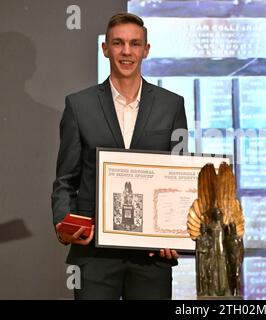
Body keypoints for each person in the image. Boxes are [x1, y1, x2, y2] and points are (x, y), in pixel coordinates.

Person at [51, 13, 188, 299]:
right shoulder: (79, 105)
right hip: (94, 253)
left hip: (152, 256)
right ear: (105, 48)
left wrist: (175, 234)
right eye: (118, 43)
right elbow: (65, 179)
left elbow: (180, 178)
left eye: (135, 44)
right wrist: (64, 225)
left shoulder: (172, 105)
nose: (127, 51)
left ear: (146, 50)